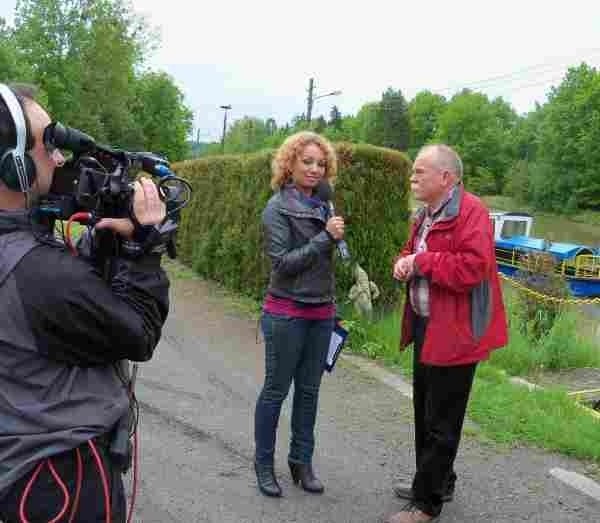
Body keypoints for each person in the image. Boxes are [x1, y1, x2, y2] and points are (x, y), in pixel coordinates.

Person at [0, 83, 170, 522]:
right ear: (12, 164)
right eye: (48, 144)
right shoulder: (33, 271)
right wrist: (145, 250)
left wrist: (99, 249)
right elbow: (137, 332)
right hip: (59, 482)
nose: (59, 159)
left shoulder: (26, 258)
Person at [386, 144, 508, 523]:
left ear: (446, 177)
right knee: (424, 410)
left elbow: (472, 268)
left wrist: (420, 262)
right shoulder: (426, 214)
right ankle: (438, 480)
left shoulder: (472, 212)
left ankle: (426, 505)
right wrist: (401, 264)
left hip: (456, 334)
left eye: (420, 171)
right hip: (428, 326)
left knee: (442, 419)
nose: (413, 177)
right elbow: (411, 252)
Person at [253, 131, 345, 497]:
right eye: (307, 161)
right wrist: (326, 238)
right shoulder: (276, 209)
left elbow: (325, 257)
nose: (314, 169)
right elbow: (283, 264)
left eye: (321, 164)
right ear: (289, 164)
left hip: (321, 311)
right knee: (276, 390)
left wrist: (334, 237)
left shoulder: (326, 206)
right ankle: (263, 464)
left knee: (310, 391)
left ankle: (301, 461)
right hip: (286, 312)